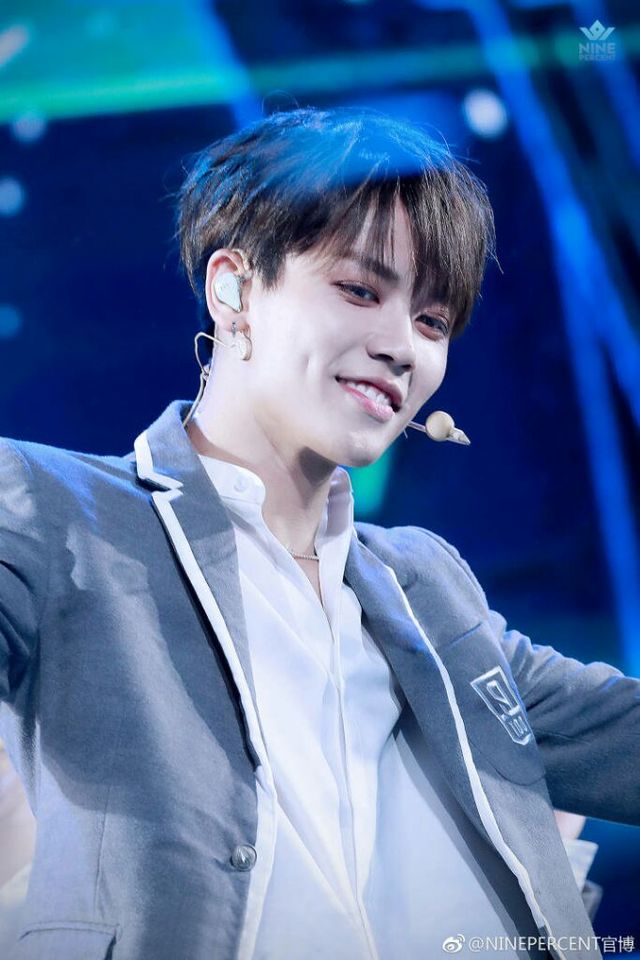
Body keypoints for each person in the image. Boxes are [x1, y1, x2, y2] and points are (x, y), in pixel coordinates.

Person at [0, 107, 637, 960]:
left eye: (433, 322)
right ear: (233, 289)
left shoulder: (428, 585)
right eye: (360, 291)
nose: (402, 347)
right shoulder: (52, 509)